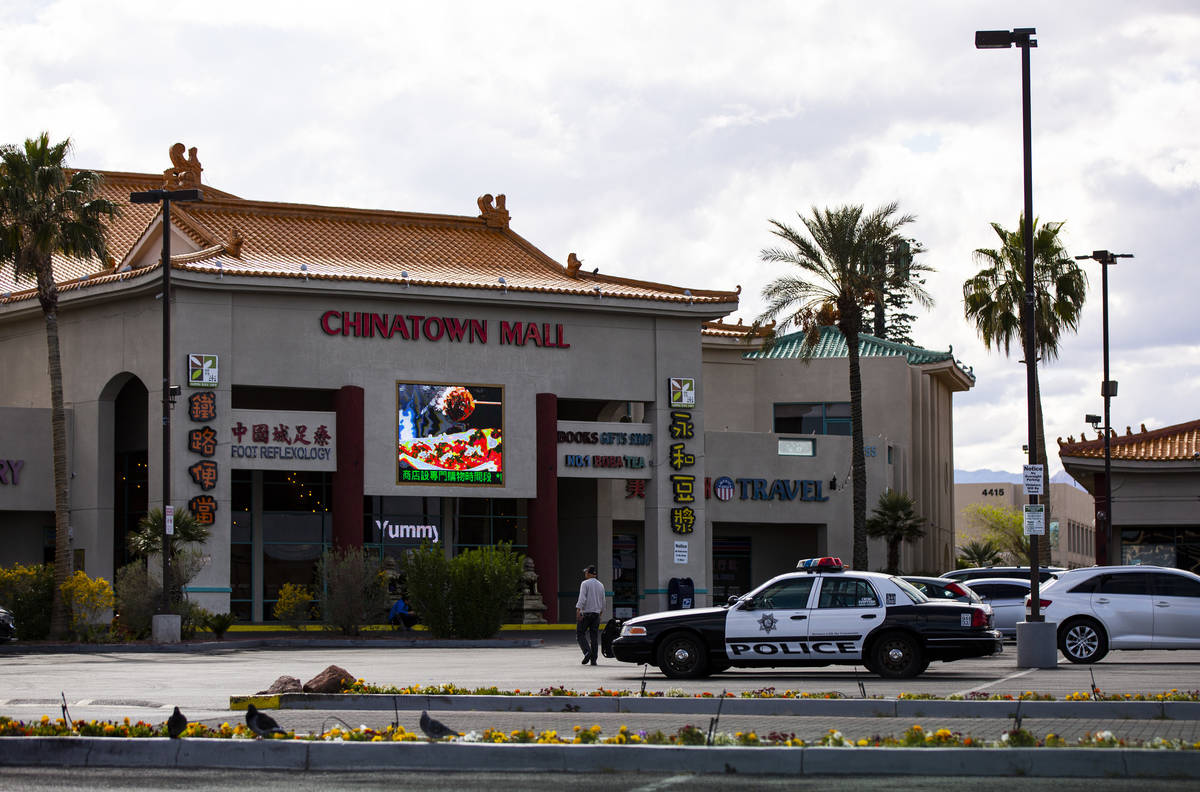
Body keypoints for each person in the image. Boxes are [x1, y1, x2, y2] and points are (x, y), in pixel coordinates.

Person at [575, 564, 604, 665]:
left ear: (589, 573)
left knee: (580, 634)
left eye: (586, 572)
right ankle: (594, 659)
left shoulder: (585, 583)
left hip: (586, 614)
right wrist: (600, 613)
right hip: (596, 614)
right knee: (594, 637)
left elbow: (582, 598)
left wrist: (578, 610)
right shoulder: (601, 585)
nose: (585, 574)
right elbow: (603, 601)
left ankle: (587, 652)